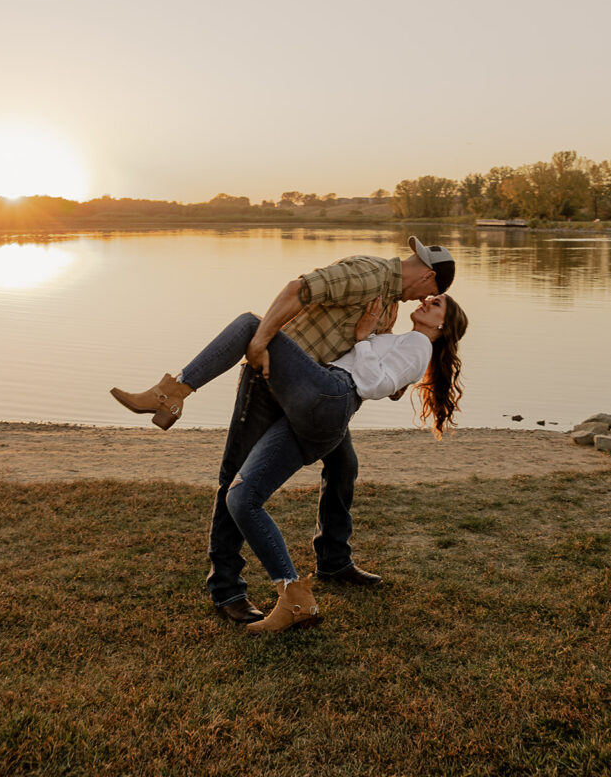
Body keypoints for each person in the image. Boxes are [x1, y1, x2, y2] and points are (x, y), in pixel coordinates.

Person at [115, 236, 457, 624]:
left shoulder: (391, 305)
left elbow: (387, 381)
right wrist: (260, 343)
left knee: (343, 467)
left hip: (315, 391)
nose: (422, 302)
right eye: (430, 294)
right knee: (236, 478)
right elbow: (299, 289)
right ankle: (227, 589)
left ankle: (332, 560)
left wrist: (376, 341)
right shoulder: (371, 273)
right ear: (429, 278)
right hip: (273, 378)